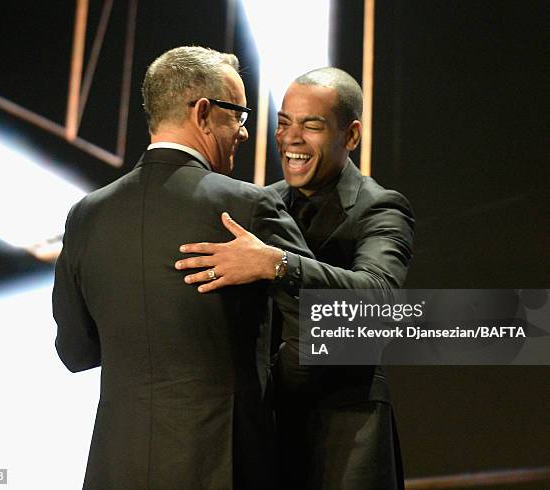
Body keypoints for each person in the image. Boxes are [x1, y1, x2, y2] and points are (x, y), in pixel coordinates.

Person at [52, 46, 312, 490]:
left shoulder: (85, 215)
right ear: (203, 112)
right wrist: (278, 266)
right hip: (222, 467)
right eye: (239, 115)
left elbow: (76, 352)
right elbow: (333, 319)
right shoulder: (248, 207)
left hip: (116, 469)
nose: (245, 132)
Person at [176, 67, 415, 489]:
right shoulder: (259, 203)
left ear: (352, 136)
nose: (291, 139)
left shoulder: (381, 208)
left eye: (312, 126)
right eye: (284, 123)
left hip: (345, 431)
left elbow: (379, 300)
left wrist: (276, 264)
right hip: (264, 430)